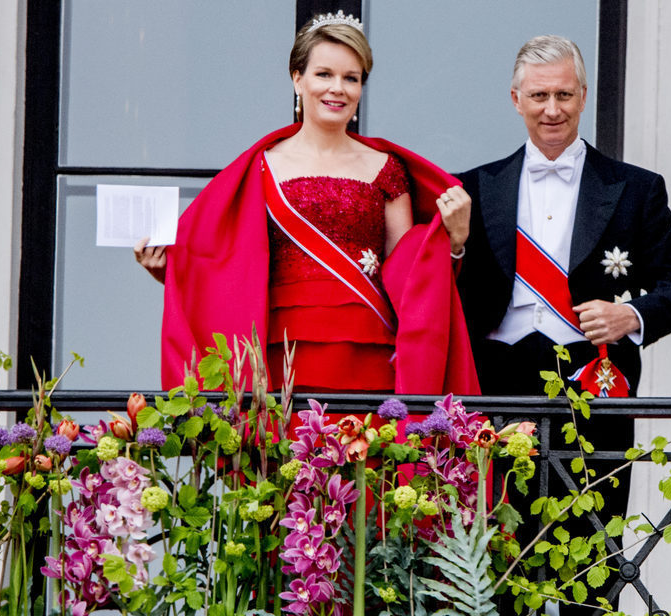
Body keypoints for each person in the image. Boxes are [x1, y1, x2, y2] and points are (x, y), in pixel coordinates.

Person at [449, 34, 671, 616]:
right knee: (499, 567)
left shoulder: (636, 189)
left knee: (592, 571)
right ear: (515, 99)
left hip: (594, 389)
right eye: (539, 95)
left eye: (564, 93)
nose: (552, 108)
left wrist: (629, 316)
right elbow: (447, 302)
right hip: (499, 393)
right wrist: (456, 247)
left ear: (584, 96)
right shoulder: (475, 188)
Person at [136, 11, 478, 396]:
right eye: (324, 74)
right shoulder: (258, 167)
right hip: (283, 357)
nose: (338, 89)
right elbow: (225, 263)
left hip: (369, 352)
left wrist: (454, 243)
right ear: (297, 78)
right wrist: (168, 269)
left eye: (352, 78)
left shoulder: (387, 168)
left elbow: (410, 277)